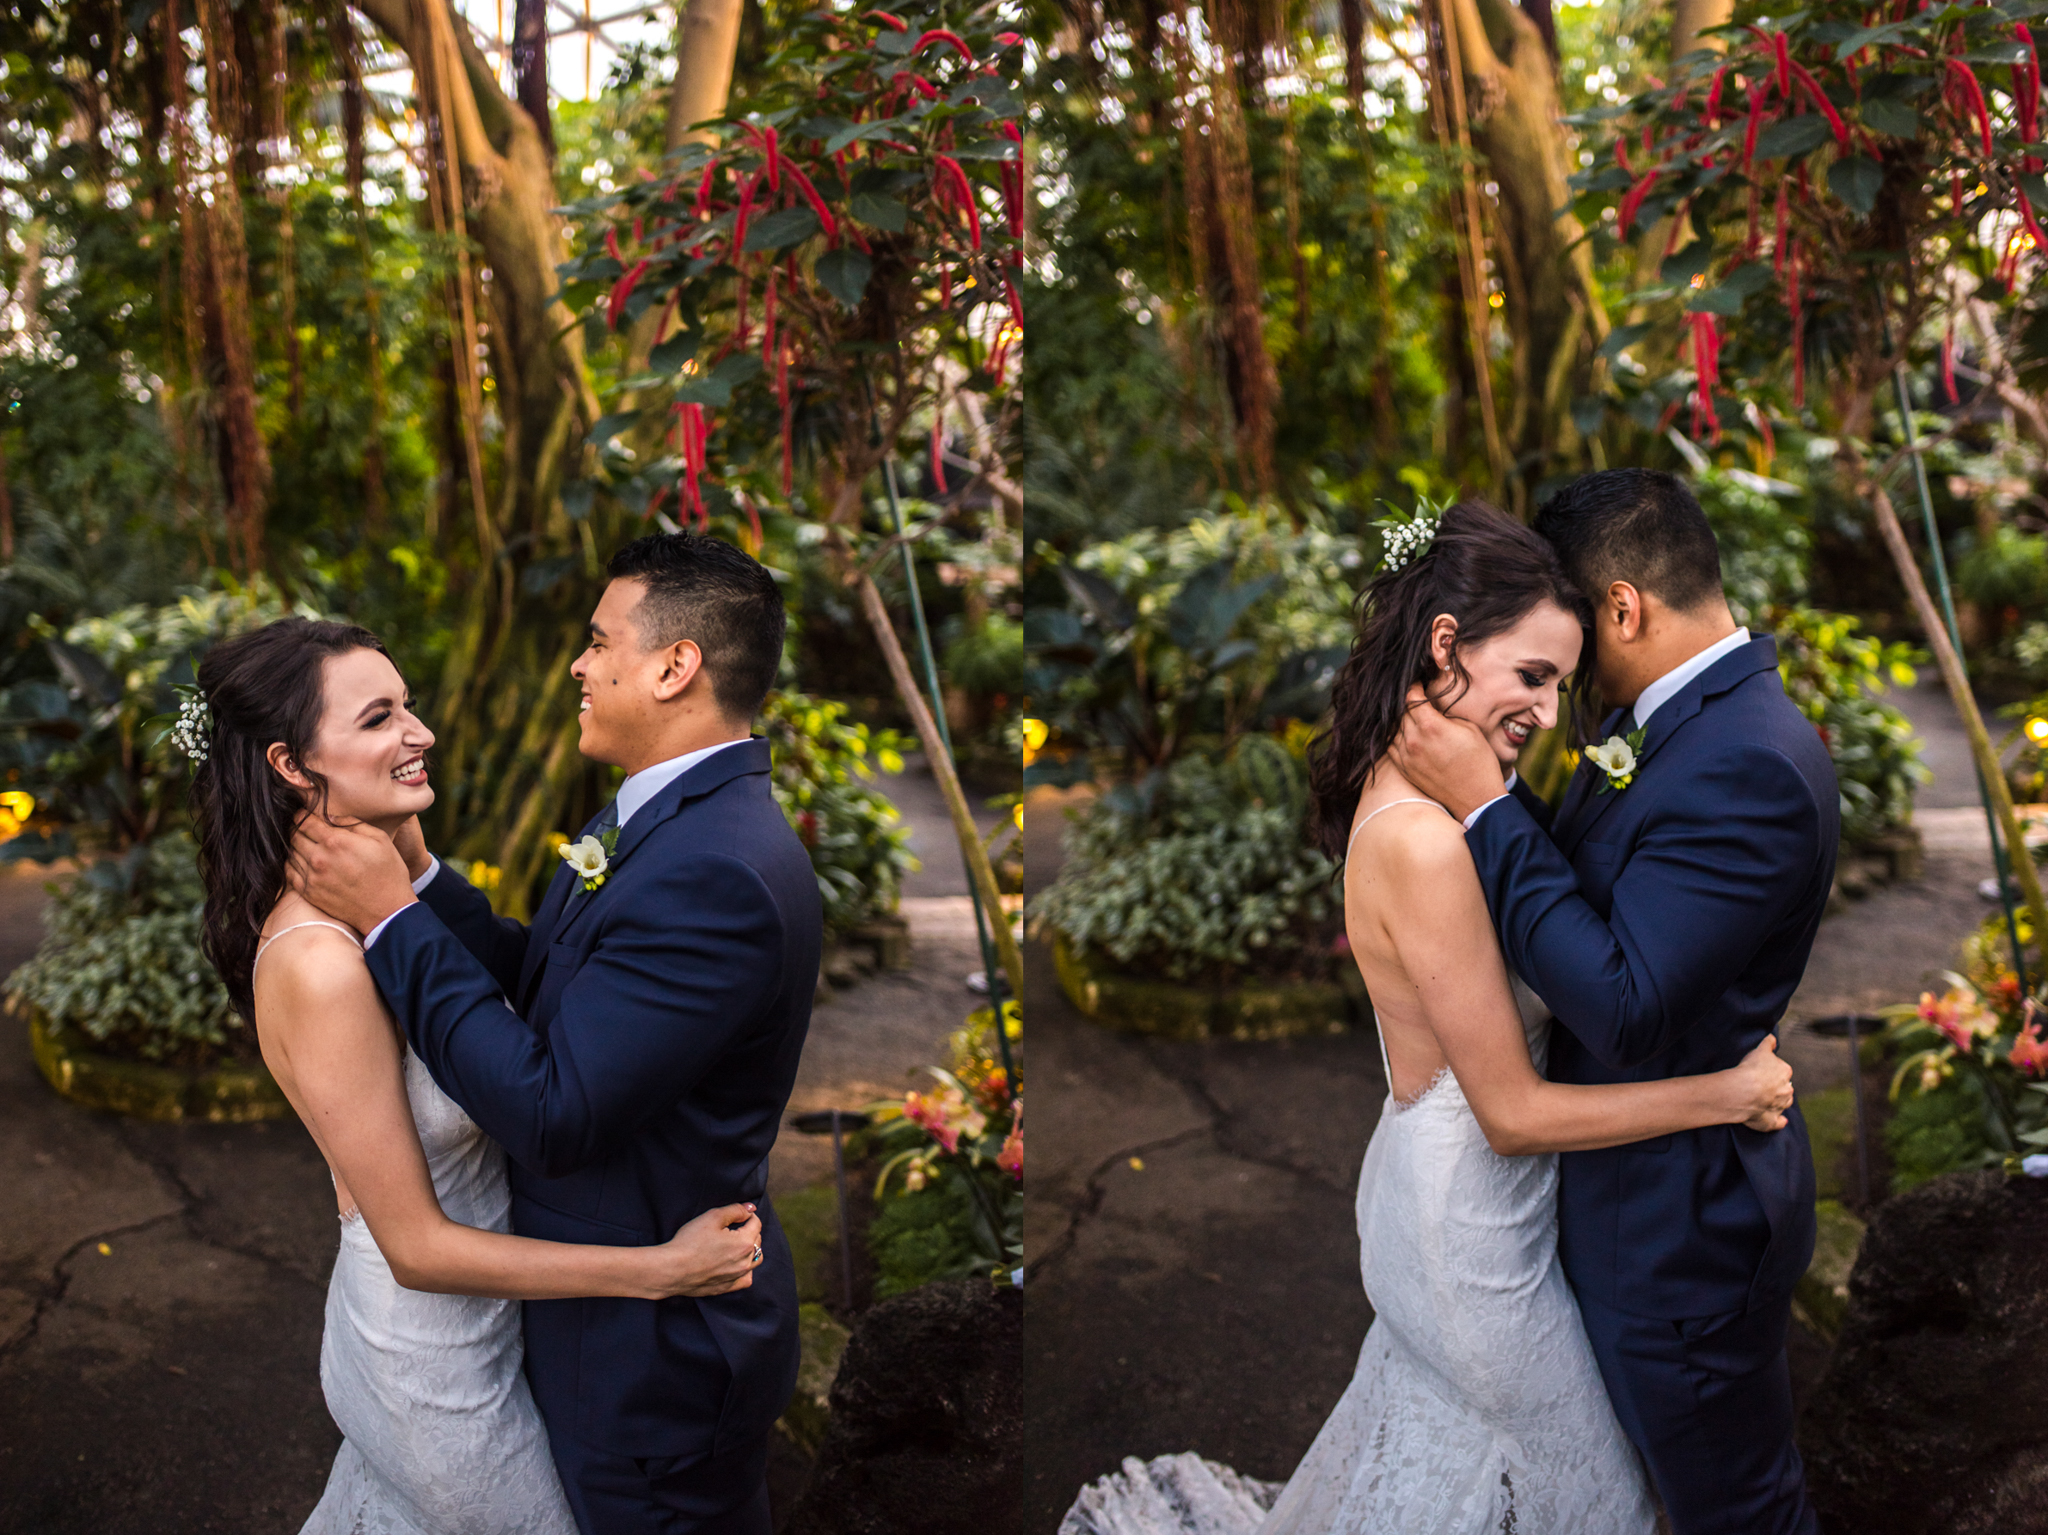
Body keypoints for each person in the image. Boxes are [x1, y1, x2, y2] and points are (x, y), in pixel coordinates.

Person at [1060, 497, 1806, 1535]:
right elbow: (1510, 1111)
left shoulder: (1439, 799)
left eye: (1560, 676)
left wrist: (1490, 797)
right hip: (1472, 1229)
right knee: (1585, 1495)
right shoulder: (1425, 839)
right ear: (1446, 645)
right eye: (1533, 676)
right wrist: (1721, 1091)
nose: (1552, 712)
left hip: (1451, 1191)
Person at [287, 531, 823, 1535]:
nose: (578, 662)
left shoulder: (718, 869)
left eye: (598, 638)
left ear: (674, 665)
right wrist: (425, 884)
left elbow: (553, 1107)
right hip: (599, 1324)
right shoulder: (667, 820)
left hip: (651, 1359)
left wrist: (391, 921)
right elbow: (557, 982)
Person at [1389, 472, 1835, 1535]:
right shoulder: (1669, 719)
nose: (1561, 681)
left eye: (1574, 633)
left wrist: (1488, 806)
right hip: (1626, 1196)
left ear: (1622, 607)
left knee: (1739, 1508)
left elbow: (1623, 1000)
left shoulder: (1749, 763)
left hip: (1681, 1230)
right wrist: (1486, 794)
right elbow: (1592, 891)